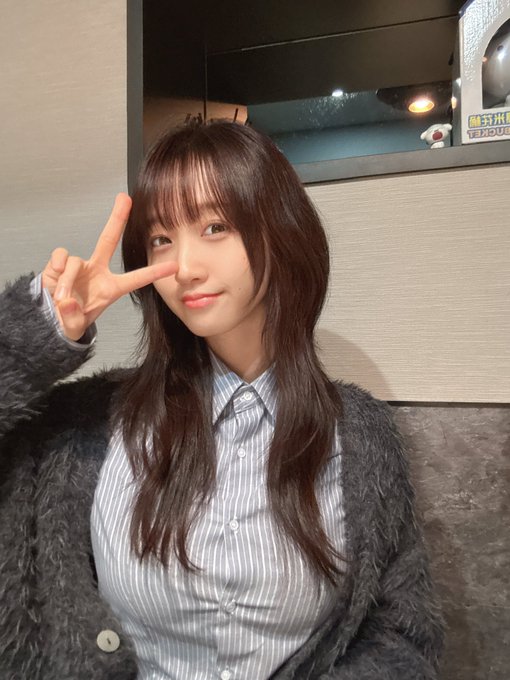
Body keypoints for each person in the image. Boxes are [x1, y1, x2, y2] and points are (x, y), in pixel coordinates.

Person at [0, 121, 444, 680]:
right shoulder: (92, 423)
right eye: (162, 239)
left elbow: (402, 634)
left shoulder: (359, 436)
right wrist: (40, 332)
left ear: (280, 232)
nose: (185, 268)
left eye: (215, 227)